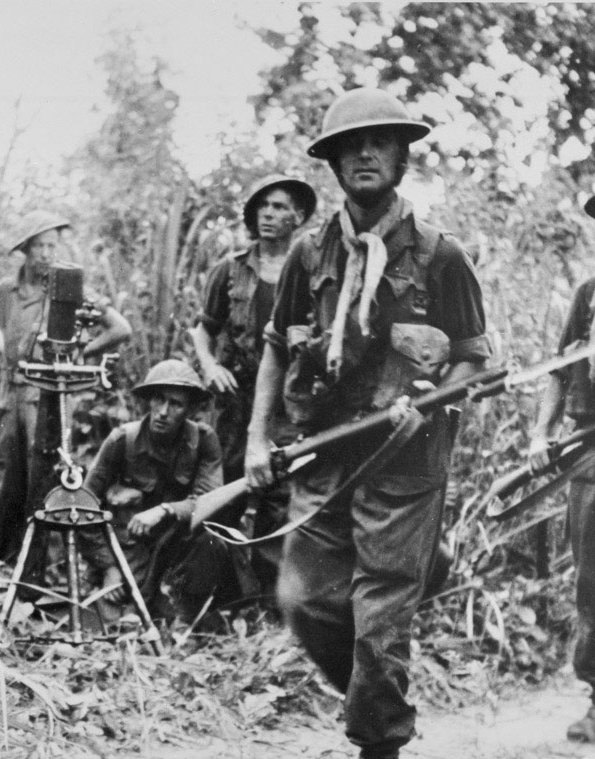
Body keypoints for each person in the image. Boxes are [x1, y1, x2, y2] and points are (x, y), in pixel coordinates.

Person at [244, 88, 491, 759]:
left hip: (406, 464)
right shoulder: (308, 253)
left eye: (379, 141)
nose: (363, 154)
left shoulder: (441, 255)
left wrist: (431, 401)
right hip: (324, 455)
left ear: (403, 157)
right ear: (332, 164)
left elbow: (474, 360)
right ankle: (420, 584)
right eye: (349, 146)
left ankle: (378, 743)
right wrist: (257, 439)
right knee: (303, 599)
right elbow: (274, 343)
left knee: (379, 617)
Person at [190, 173, 317, 608]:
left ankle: (272, 603)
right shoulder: (230, 270)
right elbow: (202, 331)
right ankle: (219, 600)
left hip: (287, 405)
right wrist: (209, 367)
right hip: (233, 404)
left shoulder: (311, 271)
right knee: (222, 488)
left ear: (298, 216)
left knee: (280, 499)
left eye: (280, 206)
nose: (269, 213)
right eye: (263, 206)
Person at [0, 210, 131, 565]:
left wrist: (83, 351)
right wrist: (4, 351)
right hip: (10, 396)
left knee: (44, 477)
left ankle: (37, 565)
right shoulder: (4, 292)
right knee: (5, 478)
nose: (47, 254)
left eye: (52, 245)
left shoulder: (69, 289)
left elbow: (120, 328)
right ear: (25, 250)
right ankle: (3, 559)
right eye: (39, 247)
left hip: (46, 397)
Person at [81, 359, 255, 624]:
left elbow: (209, 502)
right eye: (159, 399)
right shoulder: (121, 441)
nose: (163, 411)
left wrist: (165, 510)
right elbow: (82, 507)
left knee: (211, 542)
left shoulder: (204, 442)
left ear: (190, 409)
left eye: (176, 404)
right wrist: (108, 566)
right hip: (128, 552)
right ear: (149, 400)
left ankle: (188, 613)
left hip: (174, 553)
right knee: (116, 623)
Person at [528, 194, 595, 743]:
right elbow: (558, 370)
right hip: (590, 450)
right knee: (593, 578)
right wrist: (540, 432)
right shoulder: (588, 296)